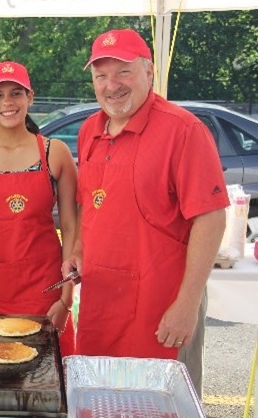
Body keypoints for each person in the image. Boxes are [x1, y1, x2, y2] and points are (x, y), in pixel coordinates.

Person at [64, 28, 229, 394]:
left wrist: (186, 305)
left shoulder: (183, 130)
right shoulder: (89, 130)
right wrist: (77, 249)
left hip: (160, 307)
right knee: (101, 400)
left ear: (149, 73)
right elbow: (88, 201)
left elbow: (211, 217)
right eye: (101, 75)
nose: (112, 85)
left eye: (123, 71)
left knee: (161, 402)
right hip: (102, 305)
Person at [0, 61, 78, 356]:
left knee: (52, 385)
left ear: (30, 98)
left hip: (44, 295)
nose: (7, 103)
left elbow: (72, 227)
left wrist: (65, 298)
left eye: (16, 93)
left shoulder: (54, 152)